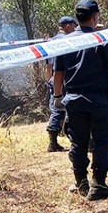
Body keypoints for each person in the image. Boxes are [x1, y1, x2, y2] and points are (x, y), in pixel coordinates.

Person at [53, 0, 108, 200]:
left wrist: (57, 97)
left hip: (73, 101)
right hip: (98, 100)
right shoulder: (101, 40)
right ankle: (98, 185)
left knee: (78, 142)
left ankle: (81, 183)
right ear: (95, 17)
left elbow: (58, 73)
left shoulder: (65, 42)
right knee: (103, 139)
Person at [45, 16, 77, 152]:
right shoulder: (69, 41)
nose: (75, 29)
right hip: (66, 78)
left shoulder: (50, 42)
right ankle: (75, 140)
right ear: (68, 27)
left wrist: (49, 82)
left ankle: (53, 142)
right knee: (70, 109)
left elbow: (47, 66)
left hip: (53, 80)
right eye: (74, 27)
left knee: (55, 109)